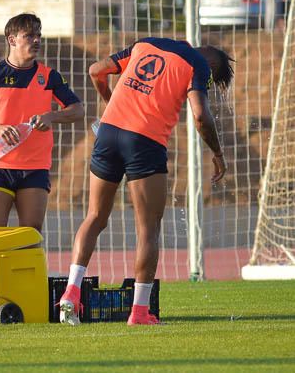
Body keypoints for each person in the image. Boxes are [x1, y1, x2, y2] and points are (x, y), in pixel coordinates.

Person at [58, 38, 234, 326]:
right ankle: (139, 312)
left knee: (94, 216)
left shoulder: (146, 44)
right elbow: (201, 116)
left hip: (109, 133)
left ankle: (71, 292)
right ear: (211, 67)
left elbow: (95, 70)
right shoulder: (198, 65)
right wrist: (218, 153)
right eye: (211, 82)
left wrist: (110, 103)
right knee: (148, 227)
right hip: (145, 141)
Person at [0, 13, 84, 232]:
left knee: (30, 233)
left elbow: (78, 110)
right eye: (29, 35)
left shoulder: (50, 76)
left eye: (39, 35)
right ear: (12, 39)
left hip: (34, 167)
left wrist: (51, 117)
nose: (36, 40)